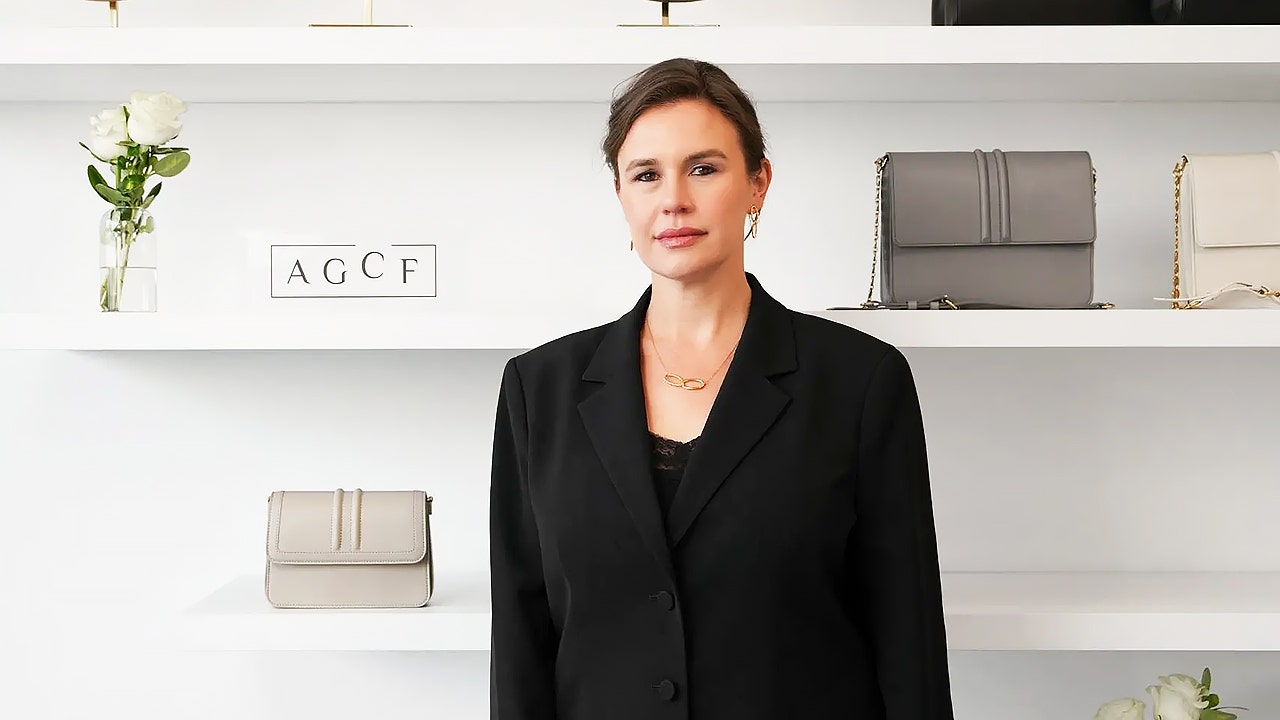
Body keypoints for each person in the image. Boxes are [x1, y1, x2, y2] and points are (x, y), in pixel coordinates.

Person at [489, 57, 954, 720]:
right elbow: (520, 644)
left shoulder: (861, 383)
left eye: (703, 168)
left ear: (758, 183)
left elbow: (908, 642)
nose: (673, 199)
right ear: (621, 195)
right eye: (646, 174)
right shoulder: (538, 391)